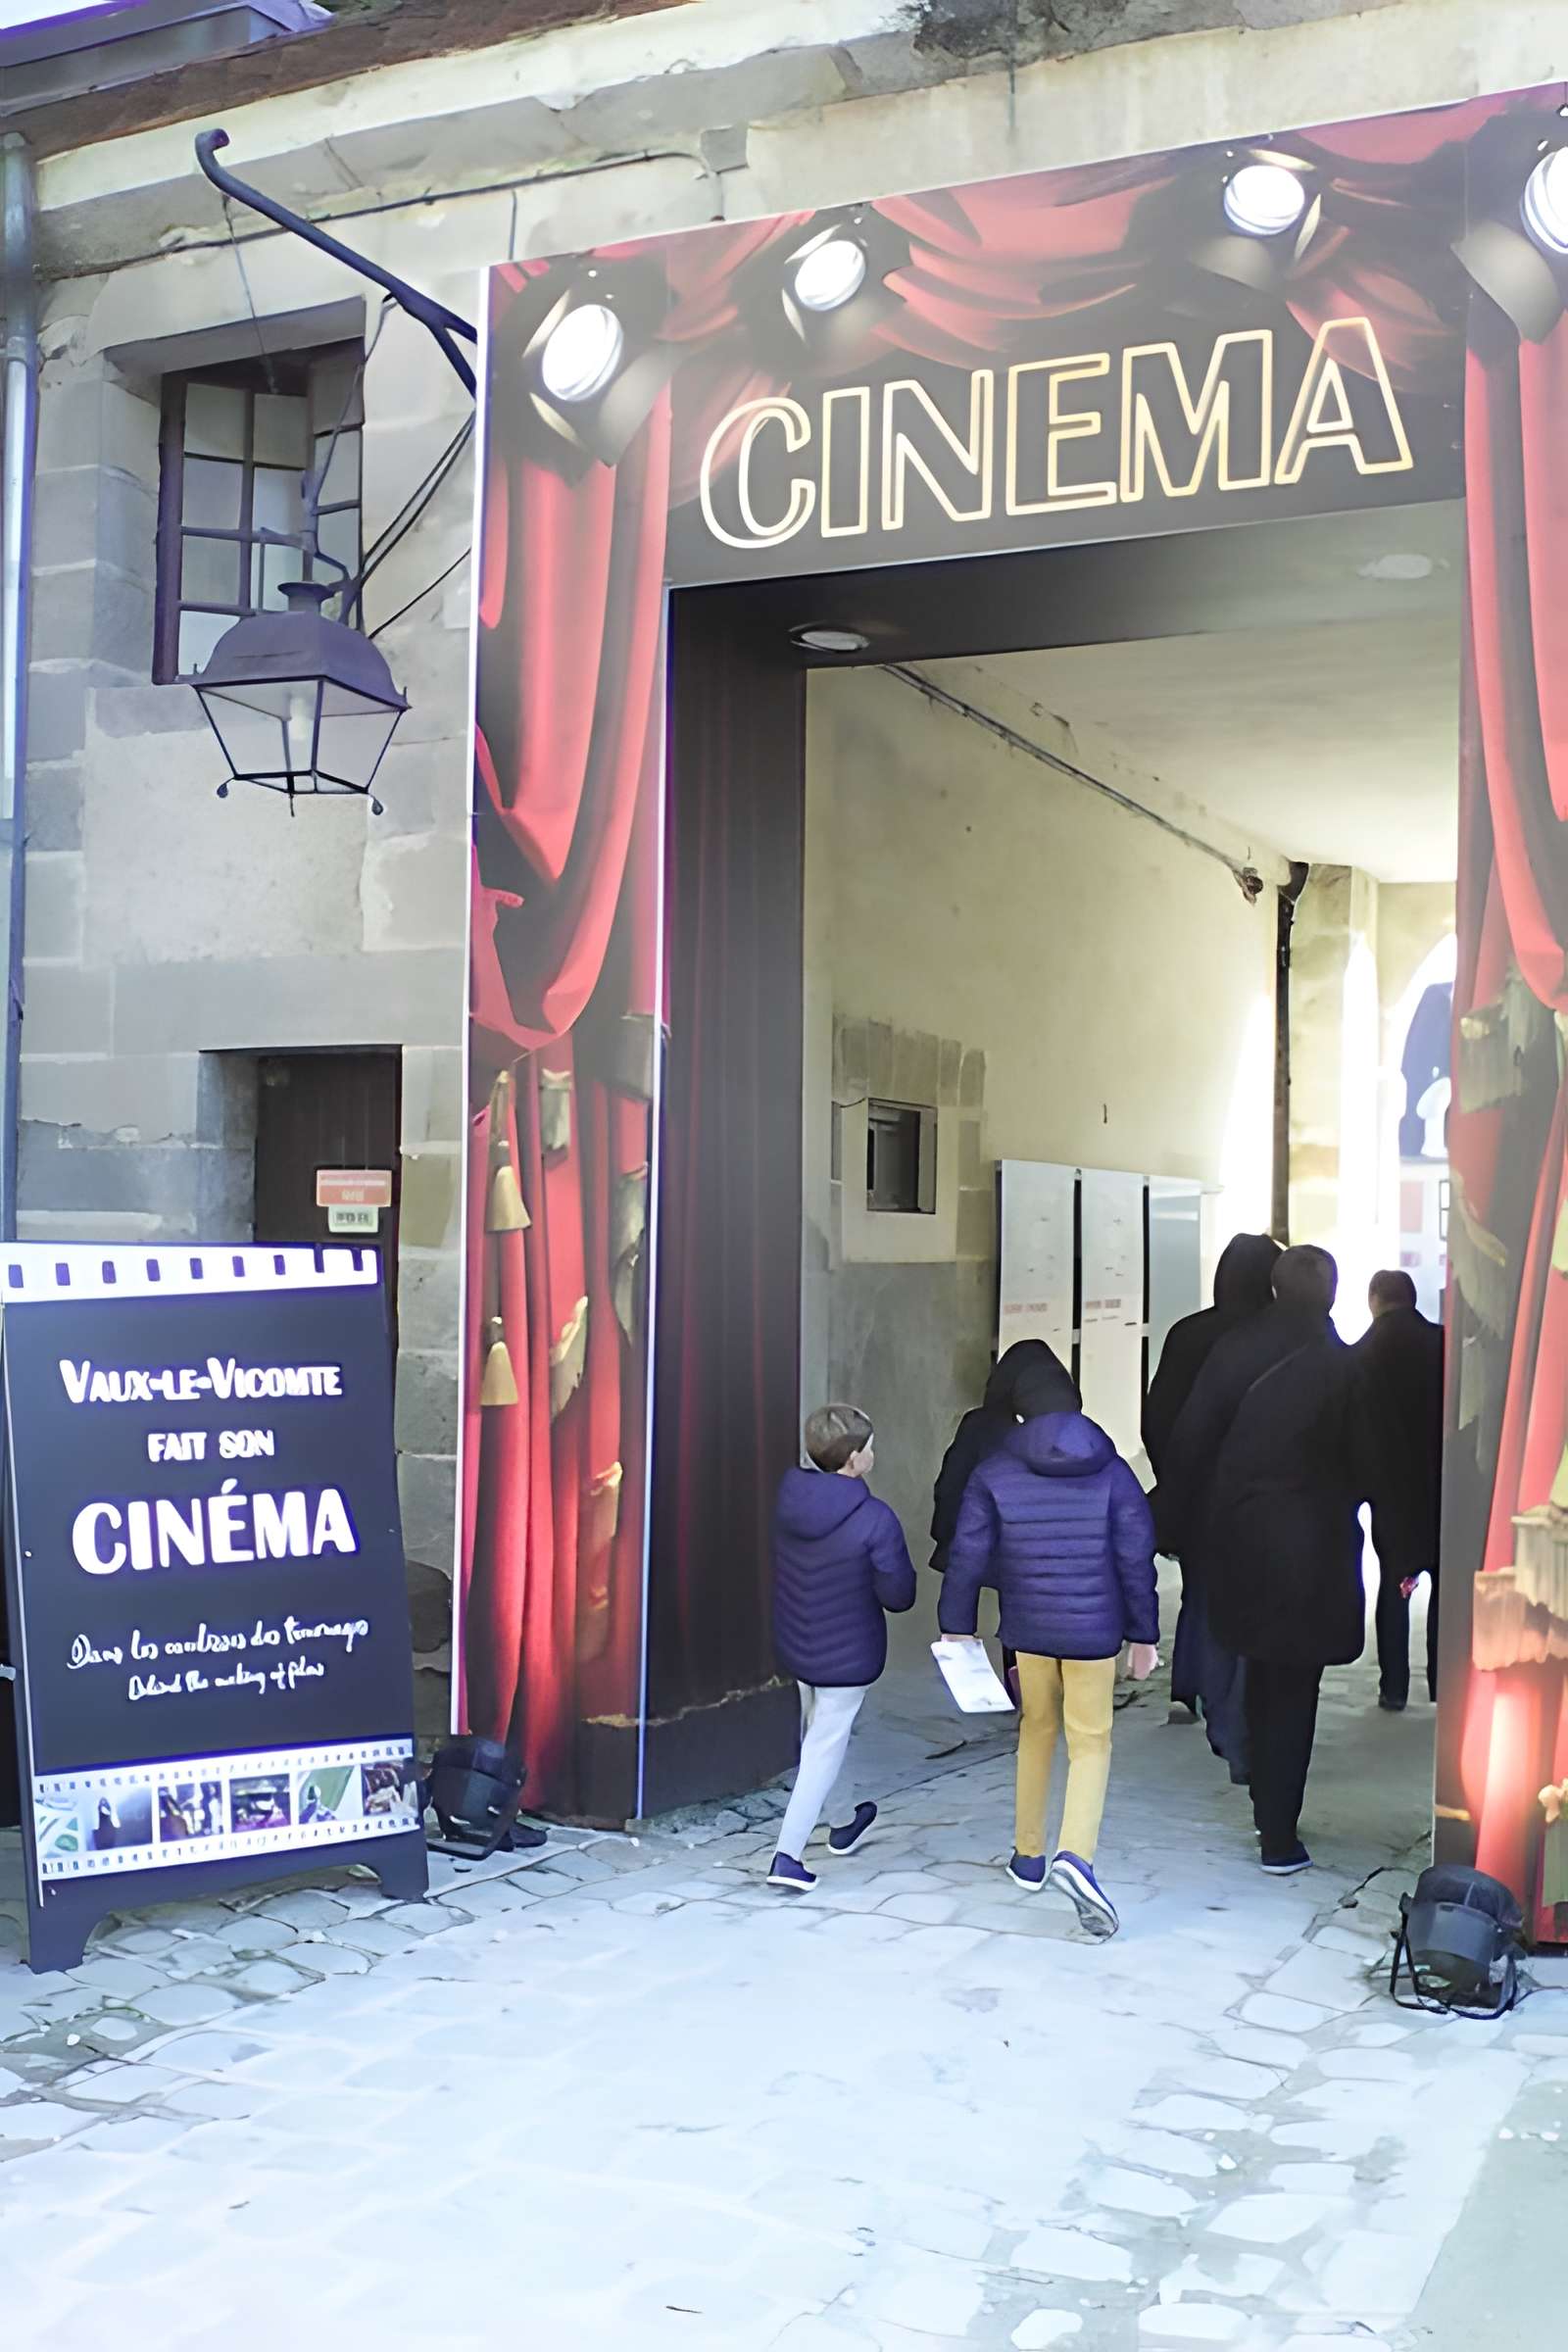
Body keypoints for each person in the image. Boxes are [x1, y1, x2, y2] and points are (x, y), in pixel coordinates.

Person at [936, 1405, 1158, 1937]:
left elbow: (968, 1551)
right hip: (1094, 1633)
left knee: (1036, 1729)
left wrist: (956, 1624)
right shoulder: (1113, 1473)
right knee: (1091, 1740)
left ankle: (1028, 1855)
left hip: (1028, 1629)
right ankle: (1076, 1857)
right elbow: (1135, 1555)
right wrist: (1144, 1635)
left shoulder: (995, 1471)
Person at [1184, 1244, 1365, 1875]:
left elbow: (1191, 1440)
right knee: (1296, 1687)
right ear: (1333, 1294)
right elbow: (1369, 1464)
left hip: (1241, 1539)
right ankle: (1279, 1831)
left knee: (1256, 1671)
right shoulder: (1345, 1365)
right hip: (1316, 1550)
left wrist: (1197, 1517)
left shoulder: (1234, 1350)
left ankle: (1263, 1796)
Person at [768, 1403, 916, 1891]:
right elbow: (899, 1596)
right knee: (823, 1747)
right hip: (848, 1651)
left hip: (798, 1639)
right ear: (854, 1459)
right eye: (869, 1446)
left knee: (823, 1732)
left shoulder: (787, 1501)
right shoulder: (875, 1519)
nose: (874, 1453)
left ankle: (842, 1821)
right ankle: (786, 1856)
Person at [1144, 1234, 1282, 1719]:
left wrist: (1175, 1477)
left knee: (1198, 1591)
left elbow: (1156, 1414)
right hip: (1253, 1493)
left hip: (1193, 1488)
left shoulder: (1188, 1332)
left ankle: (1186, 1689)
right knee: (1252, 1593)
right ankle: (1234, 1697)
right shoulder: (1270, 1337)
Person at [931, 1339, 1080, 1698]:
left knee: (1014, 1612)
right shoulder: (1066, 1428)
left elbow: (950, 1482)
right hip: (1048, 1541)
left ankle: (1025, 1691)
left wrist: (947, 1531)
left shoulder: (981, 1426)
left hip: (989, 1536)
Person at [1353, 1268, 1444, 1711]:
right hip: (1441, 1487)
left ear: (1375, 1300)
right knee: (1445, 1586)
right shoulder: (1444, 1343)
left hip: (1392, 1494)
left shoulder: (1364, 1353)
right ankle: (1443, 1684)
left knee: (1396, 1586)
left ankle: (1394, 1687)